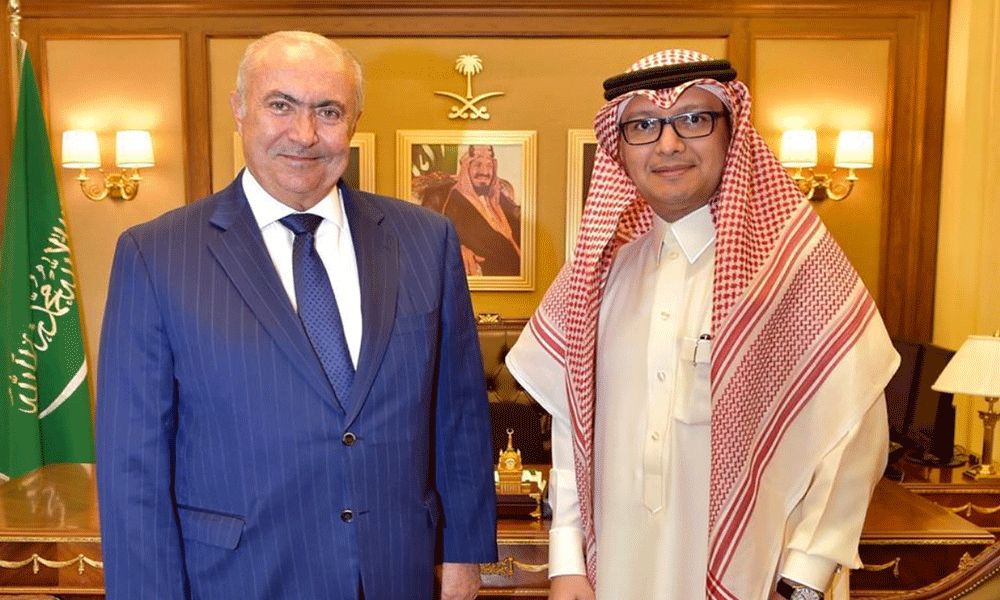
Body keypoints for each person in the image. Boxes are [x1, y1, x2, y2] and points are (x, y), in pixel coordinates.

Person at [96, 31, 496, 600]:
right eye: (280, 105)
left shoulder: (425, 240)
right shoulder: (156, 254)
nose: (304, 134)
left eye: (328, 111)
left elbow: (458, 413)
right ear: (239, 109)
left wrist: (464, 551)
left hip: (395, 571)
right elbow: (132, 466)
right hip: (236, 580)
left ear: (353, 122)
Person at [506, 49, 897, 600]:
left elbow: (854, 433)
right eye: (644, 125)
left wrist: (805, 578)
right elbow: (572, 426)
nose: (668, 144)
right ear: (619, 148)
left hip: (761, 580)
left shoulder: (794, 273)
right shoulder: (598, 276)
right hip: (614, 571)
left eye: (693, 119)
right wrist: (567, 559)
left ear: (730, 134)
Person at [443, 145, 521, 276]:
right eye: (477, 164)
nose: (484, 172)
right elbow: (447, 238)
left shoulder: (498, 196)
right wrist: (460, 249)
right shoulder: (456, 203)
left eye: (489, 165)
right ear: (467, 168)